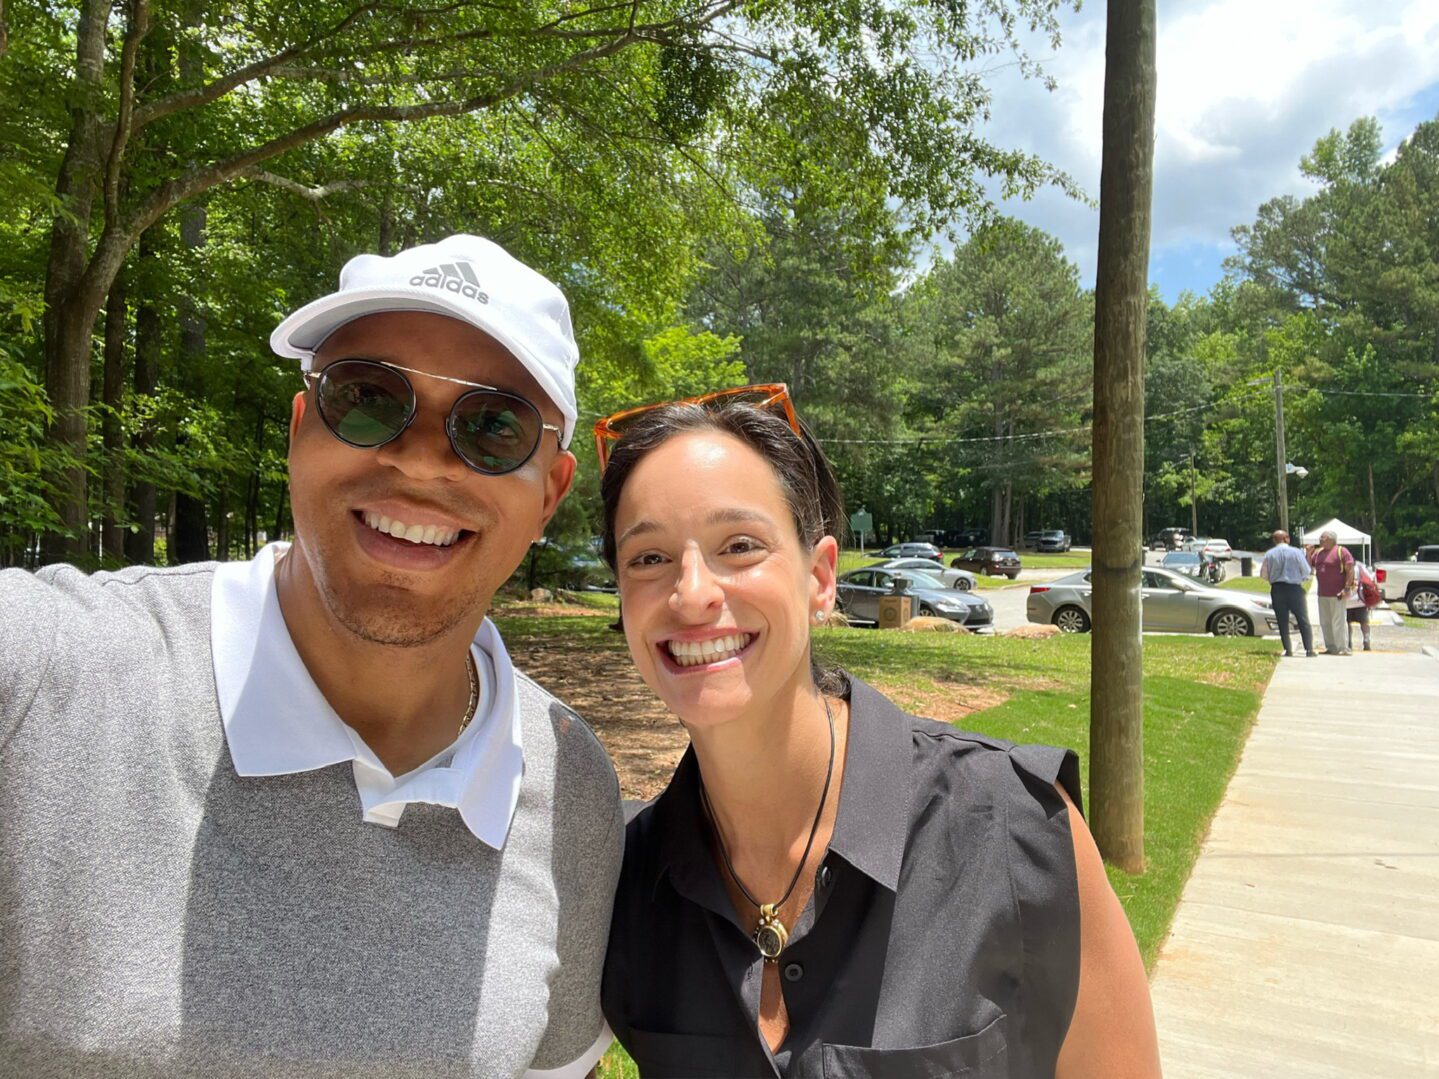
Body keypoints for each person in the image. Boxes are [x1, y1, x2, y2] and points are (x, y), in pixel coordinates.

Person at [0, 235, 622, 1078]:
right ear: (301, 430)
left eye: (491, 427)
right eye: (367, 397)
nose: (418, 459)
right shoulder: (43, 679)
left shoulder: (570, 787)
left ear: (548, 492)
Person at [593, 387, 1160, 1078]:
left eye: (738, 546)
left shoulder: (1017, 827)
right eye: (647, 558)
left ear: (820, 575)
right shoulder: (625, 885)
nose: (690, 592)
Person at [1259, 529, 1317, 658]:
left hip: (1277, 589)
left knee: (1282, 621)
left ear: (1274, 540)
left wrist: (1274, 577)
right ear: (1287, 539)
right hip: (1294, 589)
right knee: (1303, 619)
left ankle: (1288, 650)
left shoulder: (1269, 554)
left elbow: (1263, 574)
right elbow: (1307, 571)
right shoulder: (1296, 552)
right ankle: (1309, 649)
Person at [1307, 529, 1356, 655]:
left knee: (1338, 621)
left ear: (1331, 539)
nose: (1320, 540)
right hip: (1322, 593)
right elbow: (1309, 566)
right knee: (1325, 621)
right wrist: (1308, 553)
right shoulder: (1318, 553)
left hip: (1338, 593)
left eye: (1323, 538)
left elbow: (1350, 570)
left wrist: (1346, 588)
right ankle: (1331, 647)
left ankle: (1343, 648)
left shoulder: (1341, 551)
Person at [1345, 558, 1378, 652]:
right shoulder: (1359, 566)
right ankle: (1366, 641)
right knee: (1364, 623)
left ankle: (1349, 643)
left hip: (1346, 601)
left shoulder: (1340, 566)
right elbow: (1369, 578)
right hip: (1359, 599)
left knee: (1347, 623)